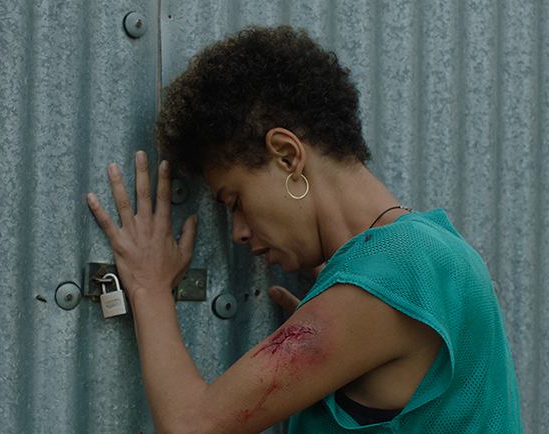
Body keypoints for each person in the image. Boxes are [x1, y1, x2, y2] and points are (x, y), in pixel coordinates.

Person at [87, 25, 522, 433]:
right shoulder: (434, 249)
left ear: (287, 155)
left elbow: (192, 426)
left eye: (235, 201)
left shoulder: (394, 273)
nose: (238, 232)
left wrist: (148, 286)